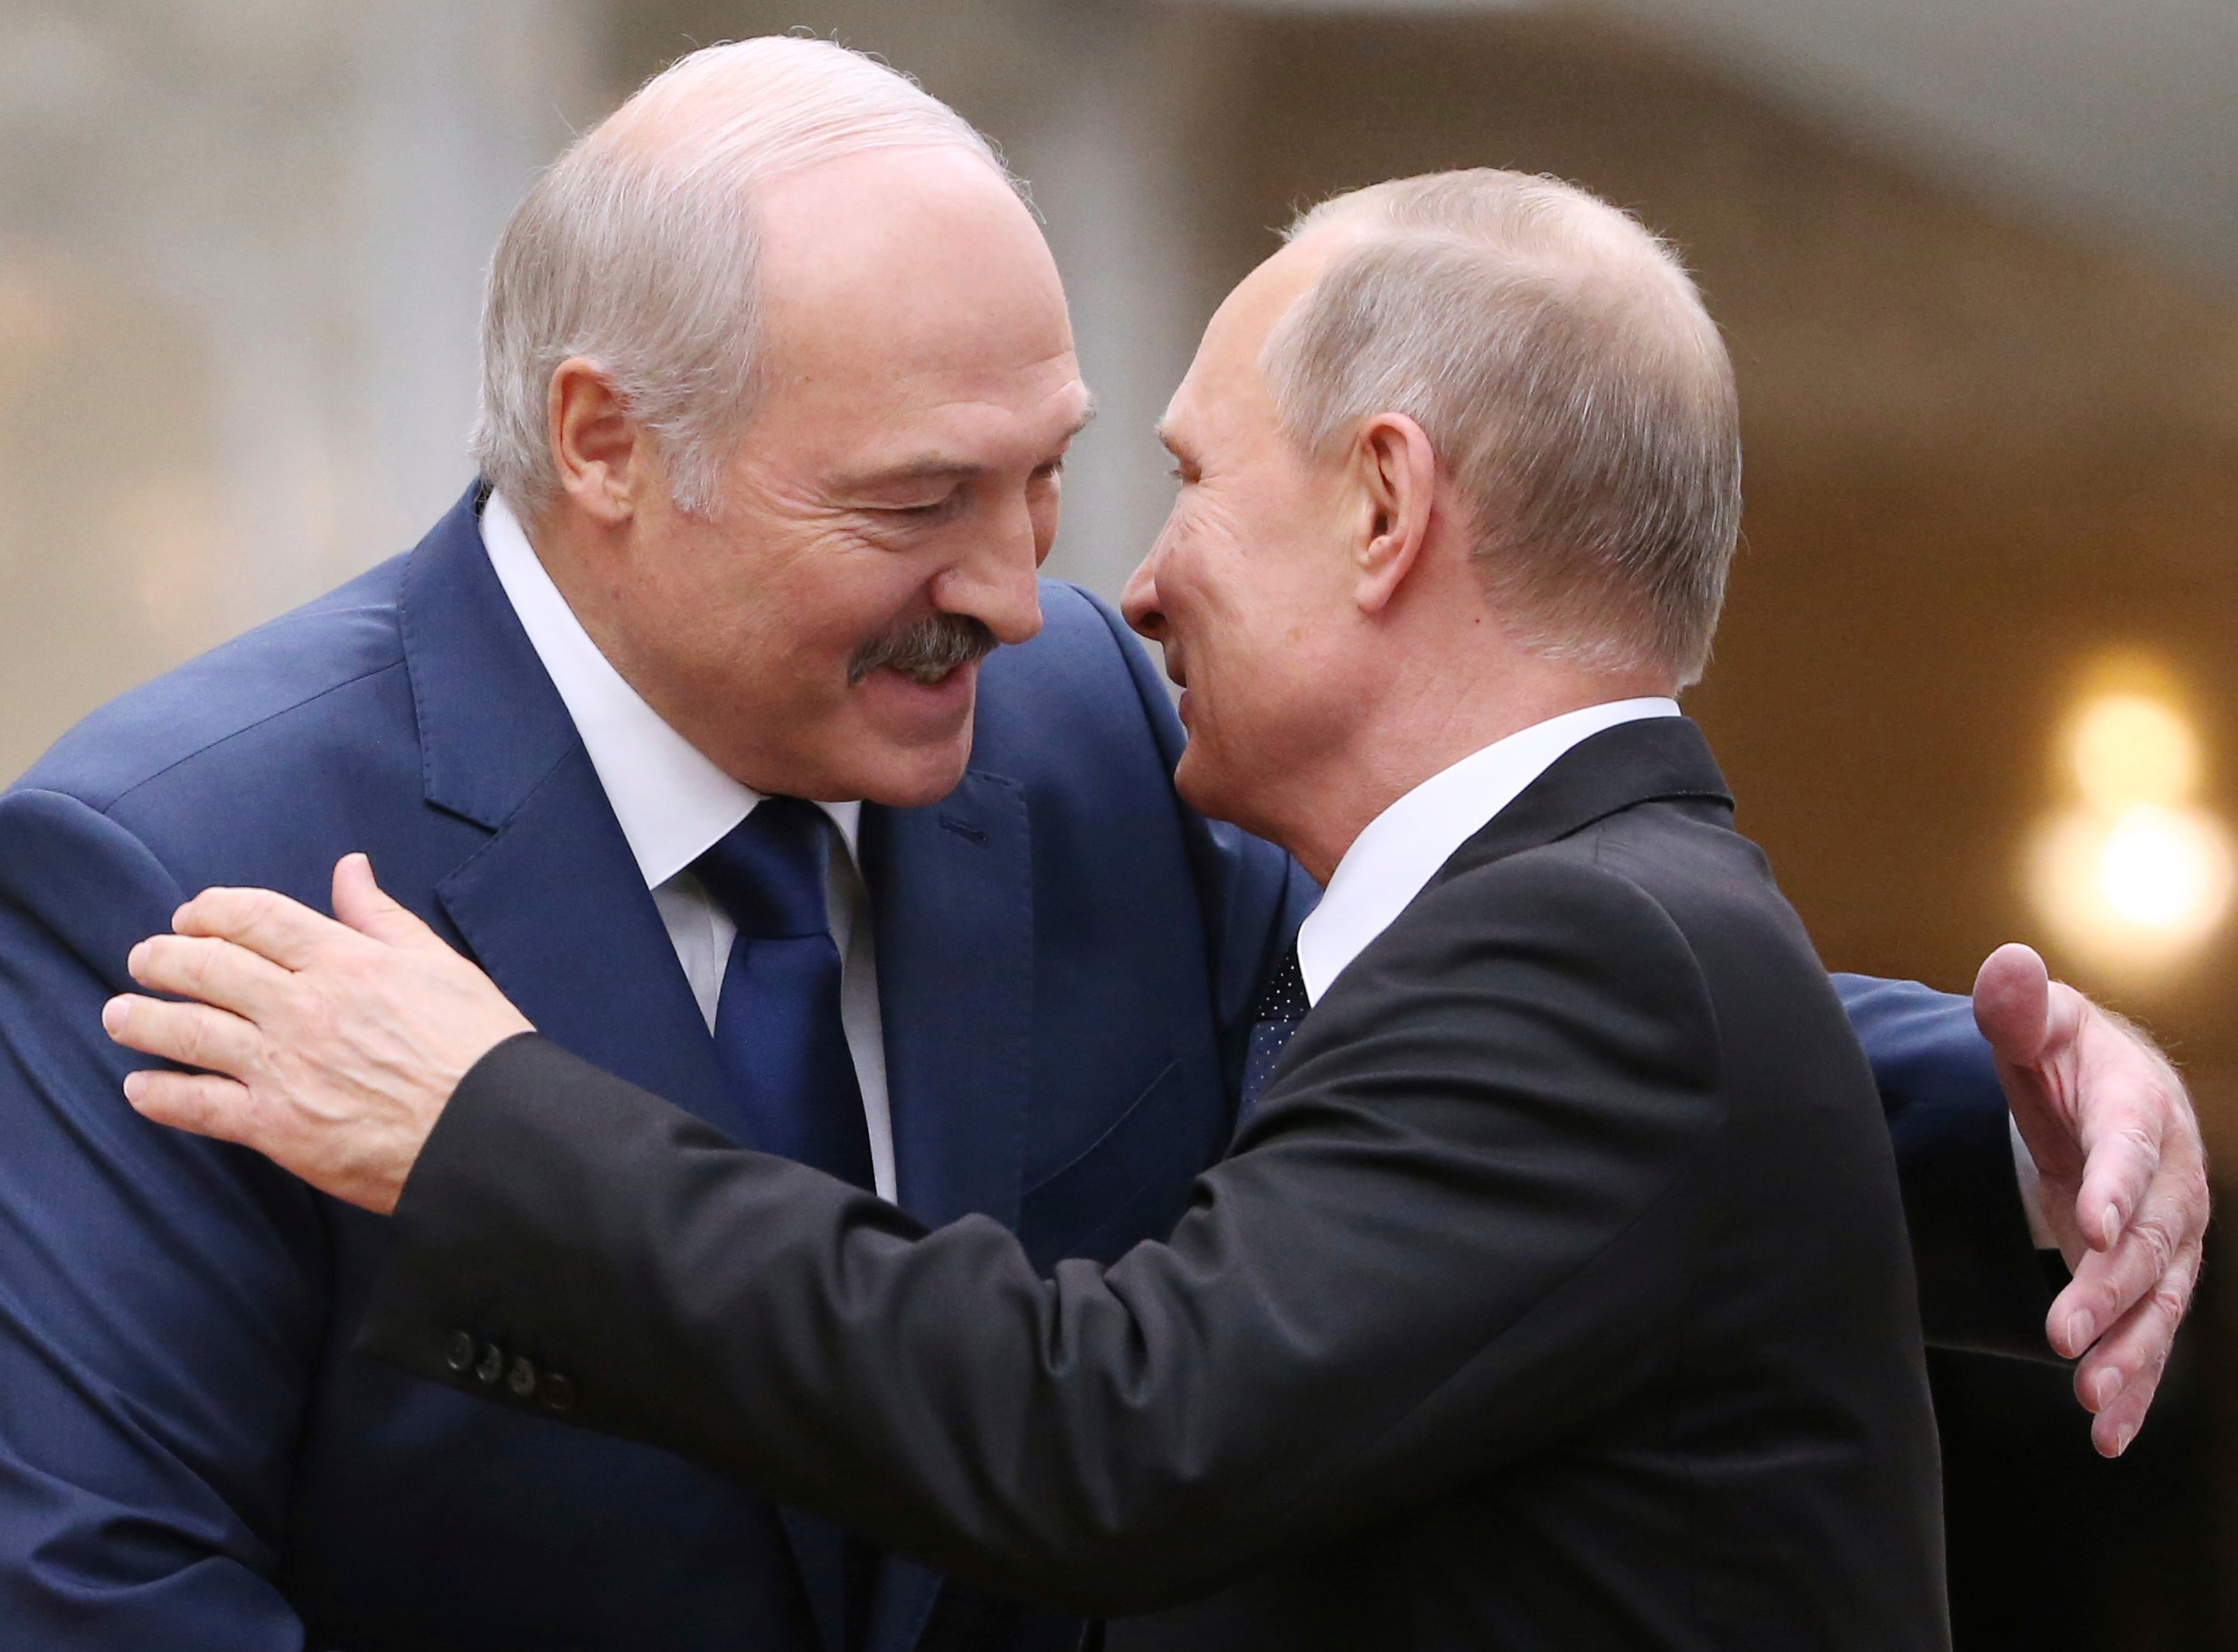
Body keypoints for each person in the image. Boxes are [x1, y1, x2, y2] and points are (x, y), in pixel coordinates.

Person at [4, 34, 2198, 1652]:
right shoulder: (183, 864)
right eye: (912, 500)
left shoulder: (1058, 724)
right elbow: (98, 1589)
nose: (1034, 578)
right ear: (605, 442)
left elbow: (1426, 1014)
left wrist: (1982, 1111)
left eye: (1047, 473)